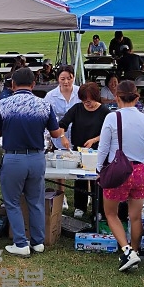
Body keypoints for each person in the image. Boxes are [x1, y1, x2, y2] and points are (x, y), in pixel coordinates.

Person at [0, 68, 63, 256]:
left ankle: (20, 243)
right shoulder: (44, 105)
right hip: (37, 157)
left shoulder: (4, 104)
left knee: (12, 201)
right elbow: (55, 133)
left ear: (13, 85)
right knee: (36, 201)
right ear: (33, 84)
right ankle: (38, 241)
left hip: (14, 157)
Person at [97, 80, 144, 272]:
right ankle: (135, 250)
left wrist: (99, 170)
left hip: (118, 170)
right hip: (139, 170)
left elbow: (104, 147)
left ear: (116, 97)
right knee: (135, 216)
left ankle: (127, 250)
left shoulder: (113, 118)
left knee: (111, 213)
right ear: (137, 97)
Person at [58, 82, 109, 219]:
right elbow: (63, 123)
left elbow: (108, 132)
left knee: (97, 180)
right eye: (85, 101)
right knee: (79, 178)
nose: (88, 104)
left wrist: (94, 140)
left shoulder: (104, 111)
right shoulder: (77, 109)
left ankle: (98, 209)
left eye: (90, 101)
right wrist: (62, 136)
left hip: (98, 151)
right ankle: (80, 206)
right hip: (79, 150)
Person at [45, 65, 79, 150]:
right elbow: (47, 118)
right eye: (63, 79)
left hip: (78, 135)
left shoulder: (80, 92)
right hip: (58, 138)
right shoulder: (50, 96)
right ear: (58, 79)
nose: (66, 82)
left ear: (74, 78)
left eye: (69, 78)